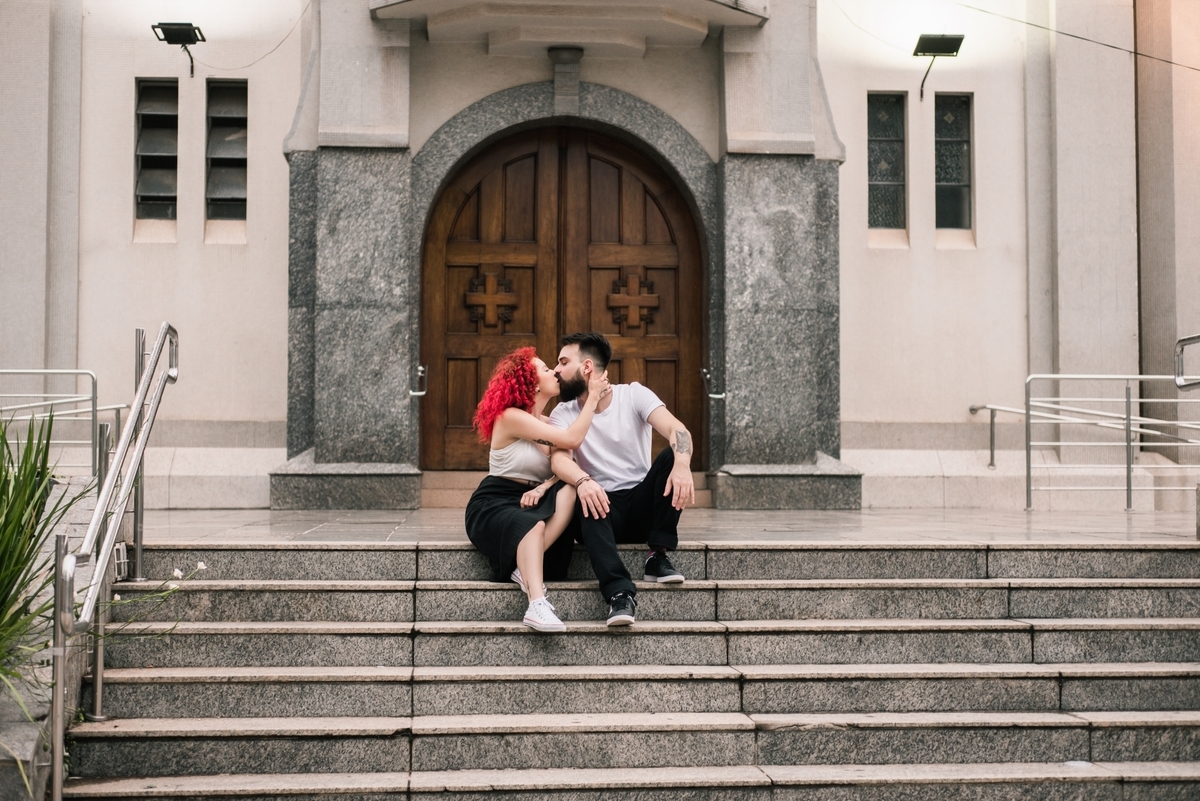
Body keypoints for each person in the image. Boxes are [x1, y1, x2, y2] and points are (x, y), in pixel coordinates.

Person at [548, 332, 695, 627]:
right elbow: (559, 459)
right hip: (602, 511)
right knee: (584, 492)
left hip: (642, 505)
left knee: (671, 456)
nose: (556, 370)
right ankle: (619, 594)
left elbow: (678, 430)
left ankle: (657, 555)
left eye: (563, 362)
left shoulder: (634, 395)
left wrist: (682, 464)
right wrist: (583, 481)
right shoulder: (563, 412)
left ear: (587, 367)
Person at [465, 347, 609, 632]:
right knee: (533, 526)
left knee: (570, 488)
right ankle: (536, 603)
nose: (555, 371)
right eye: (545, 369)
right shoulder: (510, 417)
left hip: (533, 501)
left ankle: (524, 567)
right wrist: (592, 398)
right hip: (496, 501)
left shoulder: (548, 422)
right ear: (530, 383)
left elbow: (567, 463)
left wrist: (545, 486)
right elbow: (572, 439)